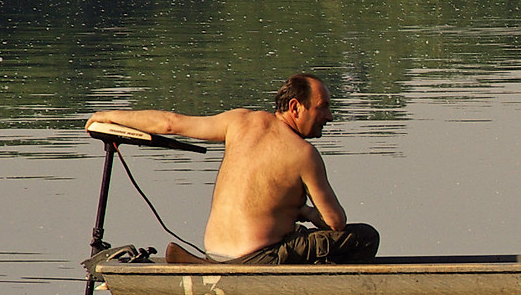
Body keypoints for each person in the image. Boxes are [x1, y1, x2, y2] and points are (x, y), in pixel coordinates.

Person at [90, 75, 378, 263]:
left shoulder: (238, 121)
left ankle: (206, 264)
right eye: (322, 107)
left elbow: (169, 123)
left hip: (214, 251)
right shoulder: (304, 154)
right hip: (258, 259)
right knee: (364, 236)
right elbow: (336, 223)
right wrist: (305, 212)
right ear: (295, 107)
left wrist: (105, 116)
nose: (329, 116)